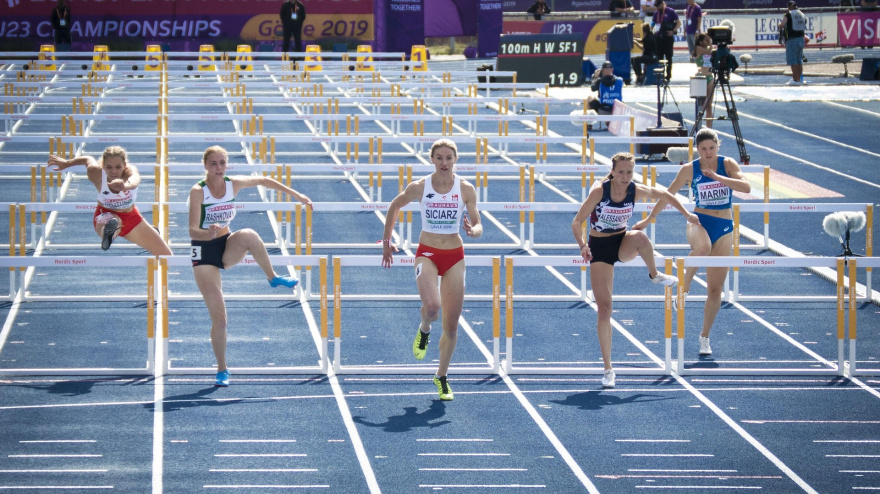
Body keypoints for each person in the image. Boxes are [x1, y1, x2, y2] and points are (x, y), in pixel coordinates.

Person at [188, 145, 312, 387]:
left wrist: (296, 195)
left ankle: (272, 277)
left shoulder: (233, 183)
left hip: (225, 243)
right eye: (213, 163)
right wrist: (207, 233)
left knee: (250, 235)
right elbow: (192, 230)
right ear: (205, 166)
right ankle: (222, 369)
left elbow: (264, 180)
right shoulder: (198, 192)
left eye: (222, 163)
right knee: (220, 319)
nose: (219, 168)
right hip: (203, 251)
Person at [572, 152, 697, 388]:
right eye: (621, 172)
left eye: (630, 172)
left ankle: (654, 275)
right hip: (600, 248)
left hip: (622, 243)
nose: (626, 176)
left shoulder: (635, 190)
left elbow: (665, 194)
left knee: (640, 236)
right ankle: (608, 369)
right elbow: (576, 221)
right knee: (604, 309)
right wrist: (583, 245)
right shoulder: (600, 191)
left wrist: (687, 214)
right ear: (613, 171)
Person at [381, 139, 483, 401]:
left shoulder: (465, 188)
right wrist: (386, 241)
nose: (444, 163)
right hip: (427, 252)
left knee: (451, 324)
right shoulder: (420, 187)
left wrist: (474, 231)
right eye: (439, 157)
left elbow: (478, 223)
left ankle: (441, 376)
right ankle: (424, 327)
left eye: (449, 158)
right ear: (432, 159)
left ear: (455, 160)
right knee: (433, 308)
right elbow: (394, 205)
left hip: (454, 255)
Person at [648, 129, 751, 356]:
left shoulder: (728, 164)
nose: (707, 153)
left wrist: (719, 178)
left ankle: (704, 336)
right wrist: (649, 218)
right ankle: (682, 290)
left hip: (723, 228)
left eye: (711, 148)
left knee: (715, 290)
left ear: (718, 146)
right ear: (697, 149)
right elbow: (668, 194)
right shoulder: (689, 169)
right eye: (703, 149)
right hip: (698, 222)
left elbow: (746, 187)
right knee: (702, 248)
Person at [47, 147, 172, 256]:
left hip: (132, 218)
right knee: (114, 221)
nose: (113, 171)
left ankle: (126, 232)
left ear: (125, 166)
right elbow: (87, 159)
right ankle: (107, 235)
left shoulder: (129, 171)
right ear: (102, 166)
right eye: (109, 167)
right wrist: (67, 163)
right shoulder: (95, 172)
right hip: (105, 214)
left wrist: (124, 186)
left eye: (118, 167)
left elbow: (135, 180)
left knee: (166, 255)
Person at [652, 0, 681, 81]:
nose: (657, 7)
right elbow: (653, 23)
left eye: (658, 6)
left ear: (662, 4)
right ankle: (660, 75)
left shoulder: (670, 11)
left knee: (668, 57)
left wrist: (673, 31)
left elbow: (679, 23)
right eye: (656, 6)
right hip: (659, 38)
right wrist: (650, 30)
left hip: (668, 38)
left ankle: (668, 75)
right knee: (659, 57)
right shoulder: (656, 13)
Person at [779, 0, 806, 84]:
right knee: (799, 60)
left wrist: (779, 24)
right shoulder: (802, 14)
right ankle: (799, 79)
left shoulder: (788, 14)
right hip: (801, 38)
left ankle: (795, 79)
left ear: (789, 6)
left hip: (792, 39)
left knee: (793, 60)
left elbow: (782, 25)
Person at [693, 33, 715, 128]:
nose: (708, 42)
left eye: (709, 40)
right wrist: (711, 44)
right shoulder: (698, 48)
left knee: (709, 105)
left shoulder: (707, 49)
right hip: (701, 78)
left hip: (709, 77)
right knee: (701, 104)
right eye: (706, 40)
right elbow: (709, 52)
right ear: (701, 41)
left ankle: (709, 127)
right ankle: (699, 125)